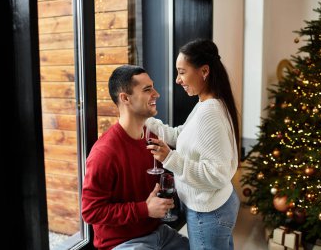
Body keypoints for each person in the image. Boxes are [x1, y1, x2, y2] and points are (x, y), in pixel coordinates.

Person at [81, 65, 189, 250]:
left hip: (159, 233)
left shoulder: (152, 138)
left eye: (152, 87)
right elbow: (90, 212)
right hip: (122, 243)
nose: (156, 94)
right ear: (125, 98)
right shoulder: (104, 153)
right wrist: (144, 209)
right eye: (147, 89)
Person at [146, 38, 240, 250]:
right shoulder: (207, 103)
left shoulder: (210, 112)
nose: (177, 80)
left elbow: (216, 174)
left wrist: (170, 158)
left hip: (210, 213)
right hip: (217, 206)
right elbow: (183, 134)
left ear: (204, 71)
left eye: (181, 71)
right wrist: (147, 119)